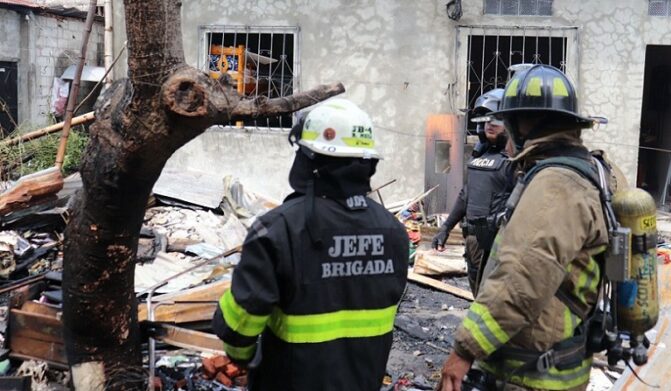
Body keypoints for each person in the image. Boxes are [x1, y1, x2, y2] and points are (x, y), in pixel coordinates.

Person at [438, 65, 625, 391]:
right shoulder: (599, 169)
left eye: (509, 122)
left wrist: (464, 350)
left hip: (533, 372)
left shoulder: (556, 185)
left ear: (526, 123)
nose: (505, 132)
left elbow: (521, 280)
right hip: (563, 358)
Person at [212, 98, 409, 391]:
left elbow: (243, 318)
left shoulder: (277, 229)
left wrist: (241, 357)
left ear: (309, 159)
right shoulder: (394, 232)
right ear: (368, 164)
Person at [432, 88, 513, 292]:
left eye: (498, 119)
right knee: (478, 297)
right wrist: (445, 229)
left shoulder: (516, 162)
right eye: (487, 119)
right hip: (474, 242)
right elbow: (465, 194)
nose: (490, 124)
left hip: (500, 244)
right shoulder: (479, 158)